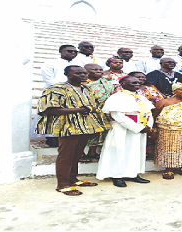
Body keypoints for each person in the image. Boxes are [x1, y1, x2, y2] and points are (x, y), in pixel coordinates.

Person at [35, 65, 112, 196]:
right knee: (65, 155)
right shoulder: (57, 89)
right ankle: (62, 184)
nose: (83, 75)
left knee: (76, 154)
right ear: (67, 74)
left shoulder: (86, 88)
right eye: (78, 73)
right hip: (67, 126)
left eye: (84, 73)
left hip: (85, 126)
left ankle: (73, 179)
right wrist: (80, 110)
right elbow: (47, 109)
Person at [96, 75, 154, 187]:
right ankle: (116, 176)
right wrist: (137, 128)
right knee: (119, 152)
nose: (137, 85)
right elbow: (116, 114)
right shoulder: (117, 97)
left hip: (141, 129)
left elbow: (149, 113)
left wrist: (148, 126)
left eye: (138, 83)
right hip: (122, 128)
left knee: (136, 152)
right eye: (133, 83)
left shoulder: (141, 97)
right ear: (123, 84)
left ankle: (133, 174)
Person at [39, 44, 81, 147]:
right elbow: (49, 79)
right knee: (54, 114)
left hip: (73, 92)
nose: (72, 53)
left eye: (75, 52)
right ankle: (51, 137)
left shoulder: (79, 63)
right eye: (69, 51)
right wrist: (63, 90)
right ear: (60, 51)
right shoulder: (50, 63)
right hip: (54, 92)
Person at [84, 63, 120, 162]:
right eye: (95, 70)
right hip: (88, 111)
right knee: (87, 132)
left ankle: (92, 152)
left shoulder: (107, 83)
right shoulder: (82, 83)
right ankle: (80, 153)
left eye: (100, 70)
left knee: (99, 132)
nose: (99, 72)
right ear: (86, 72)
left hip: (103, 110)